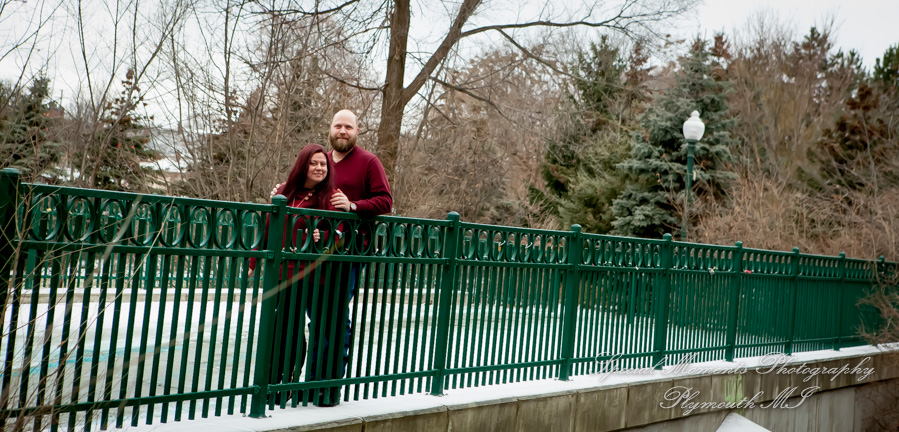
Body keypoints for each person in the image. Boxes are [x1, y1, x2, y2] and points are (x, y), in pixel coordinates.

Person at [270, 109, 393, 407]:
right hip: (312, 254)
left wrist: (352, 205)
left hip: (348, 251)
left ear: (357, 131)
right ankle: (299, 383)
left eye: (348, 127)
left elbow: (386, 201)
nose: (342, 131)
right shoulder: (321, 159)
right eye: (338, 125)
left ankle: (326, 384)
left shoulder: (368, 162)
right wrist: (283, 191)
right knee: (308, 318)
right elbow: (302, 189)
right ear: (330, 129)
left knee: (335, 319)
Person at [249, 143, 335, 406]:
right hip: (281, 273)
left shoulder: (329, 198)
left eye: (324, 164)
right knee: (281, 329)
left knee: (296, 330)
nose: (320, 168)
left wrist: (322, 235)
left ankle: (286, 381)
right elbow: (268, 228)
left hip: (311, 276)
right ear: (303, 164)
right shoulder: (284, 193)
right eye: (314, 163)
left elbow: (340, 234)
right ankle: (274, 383)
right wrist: (253, 260)